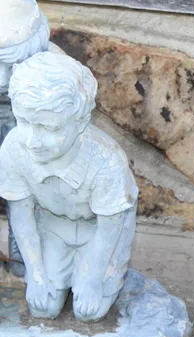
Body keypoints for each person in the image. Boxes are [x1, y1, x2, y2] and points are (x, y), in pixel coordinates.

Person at [0, 52, 138, 322]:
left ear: (80, 122)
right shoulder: (15, 148)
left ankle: (99, 275)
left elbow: (109, 228)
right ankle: (61, 273)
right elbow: (22, 216)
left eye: (48, 128)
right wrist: (37, 274)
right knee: (44, 308)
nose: (32, 140)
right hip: (53, 226)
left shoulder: (106, 161)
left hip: (100, 231)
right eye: (24, 121)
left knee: (89, 312)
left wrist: (93, 280)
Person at [0, 0, 53, 278]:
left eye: (9, 64)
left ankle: (23, 256)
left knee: (28, 185)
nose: (1, 78)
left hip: (23, 125)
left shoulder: (51, 75)